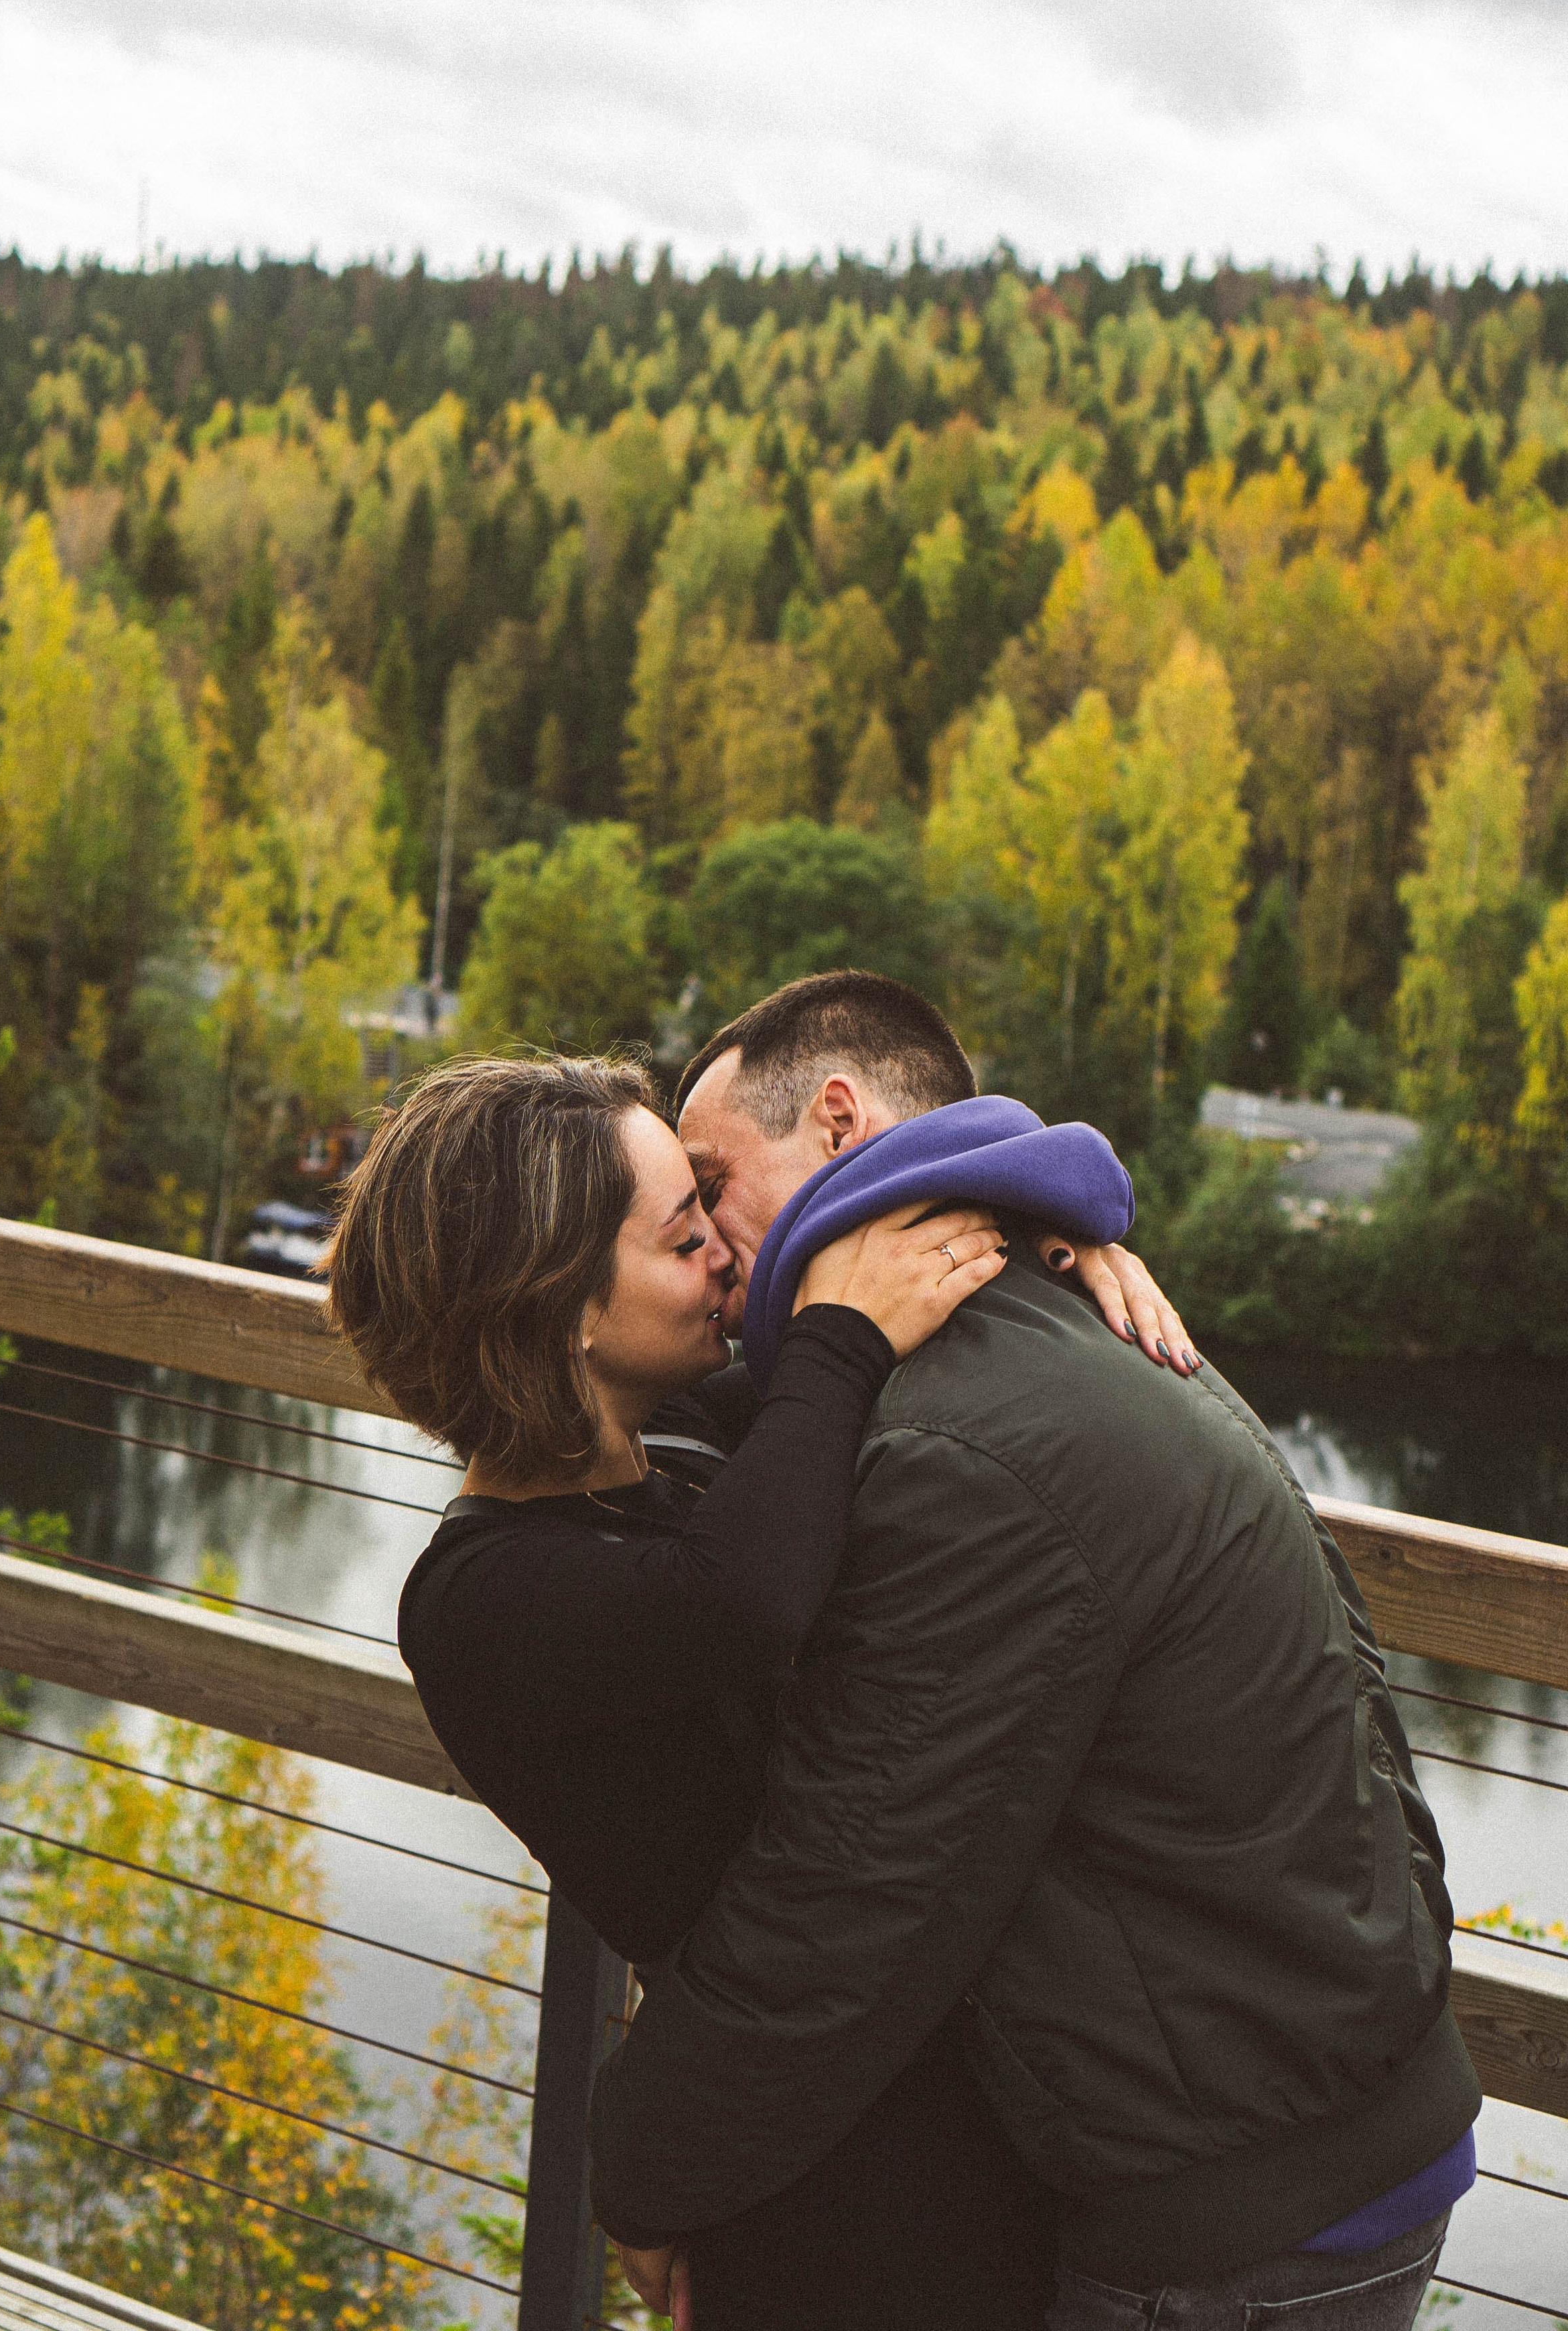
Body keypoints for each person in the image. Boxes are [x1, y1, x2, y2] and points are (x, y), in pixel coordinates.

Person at [587, 971, 1480, 2331]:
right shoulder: (1033, 1320)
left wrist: (644, 2169)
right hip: (1307, 2118)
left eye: (712, 1185)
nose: (706, 1242)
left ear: (838, 1121)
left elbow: (845, 1892)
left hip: (1242, 2214)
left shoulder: (963, 1439)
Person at [326, 1048, 1174, 2330]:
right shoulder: (478, 1603)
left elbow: (997, 1204)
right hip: (812, 2192)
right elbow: (741, 1595)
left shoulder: (675, 1445)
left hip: (917, 2111)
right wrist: (839, 1332)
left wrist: (1056, 1258)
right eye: (685, 1238)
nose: (730, 1254)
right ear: (562, 1313)